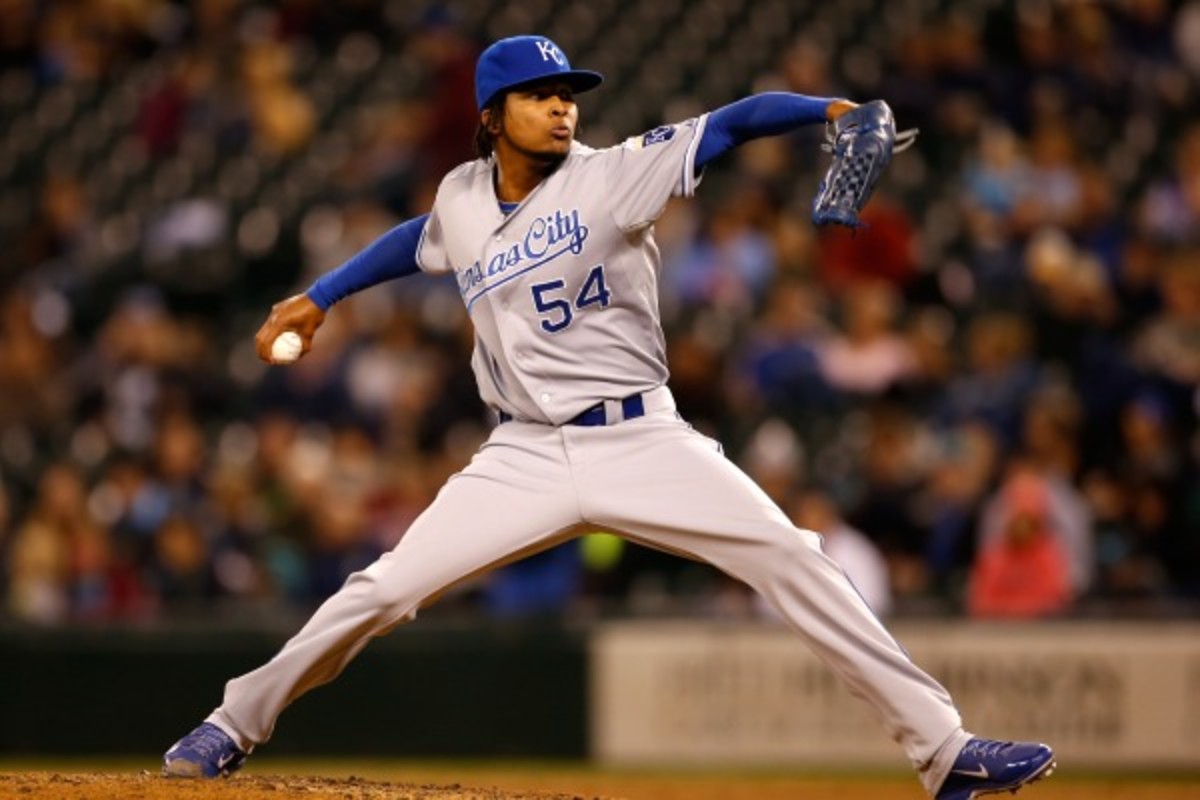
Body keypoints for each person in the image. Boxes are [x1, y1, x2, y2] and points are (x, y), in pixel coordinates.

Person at [162, 35, 1055, 799]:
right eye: (540, 96)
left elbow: (735, 119)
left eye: (568, 95)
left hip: (641, 437)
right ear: (490, 114)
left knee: (793, 556)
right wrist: (322, 295)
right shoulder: (463, 197)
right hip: (520, 454)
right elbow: (419, 238)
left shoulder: (615, 175)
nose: (562, 109)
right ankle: (230, 724)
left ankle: (945, 754)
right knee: (385, 589)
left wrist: (832, 111)